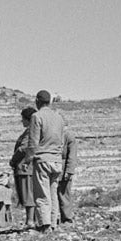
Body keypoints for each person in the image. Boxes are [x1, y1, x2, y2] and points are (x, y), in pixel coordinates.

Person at [26, 90, 66, 232]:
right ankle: (54, 222)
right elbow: (62, 140)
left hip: (43, 159)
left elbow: (33, 142)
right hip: (56, 160)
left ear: (37, 101)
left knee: (42, 193)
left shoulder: (36, 117)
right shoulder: (59, 118)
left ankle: (45, 224)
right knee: (53, 192)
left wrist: (28, 159)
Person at [9, 107, 37, 230]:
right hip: (25, 166)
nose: (22, 121)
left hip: (25, 167)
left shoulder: (30, 132)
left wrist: (13, 160)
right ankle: (30, 219)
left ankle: (30, 220)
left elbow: (23, 148)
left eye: (23, 119)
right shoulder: (31, 131)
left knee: (28, 194)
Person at [58, 128, 78, 225]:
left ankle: (66, 218)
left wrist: (69, 170)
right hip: (54, 165)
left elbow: (72, 155)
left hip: (63, 167)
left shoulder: (69, 136)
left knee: (64, 193)